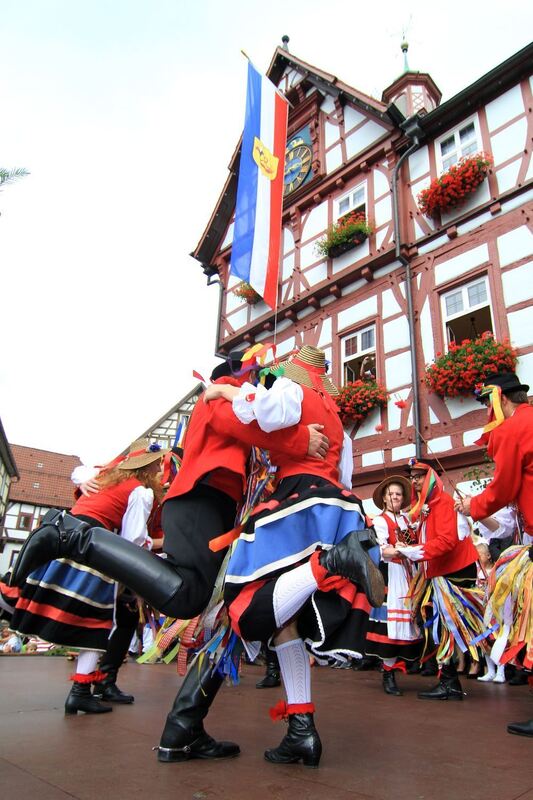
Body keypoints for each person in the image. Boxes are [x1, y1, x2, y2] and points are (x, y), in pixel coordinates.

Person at [9, 351, 331, 761]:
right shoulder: (222, 392)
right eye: (256, 375)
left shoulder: (237, 398)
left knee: (216, 613)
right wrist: (301, 440)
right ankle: (74, 537)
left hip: (214, 506)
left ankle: (183, 729)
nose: (261, 382)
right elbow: (239, 423)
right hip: (201, 500)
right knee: (187, 598)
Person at [207, 345, 385, 767]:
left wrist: (225, 392)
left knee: (248, 601)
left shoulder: (291, 387)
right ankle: (301, 730)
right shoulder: (334, 411)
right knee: (287, 621)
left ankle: (333, 562)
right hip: (337, 504)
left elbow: (263, 410)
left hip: (299, 498)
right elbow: (345, 474)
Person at [3, 442, 165, 714]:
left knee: (24, 592)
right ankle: (80, 692)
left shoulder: (103, 476)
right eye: (157, 464)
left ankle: (88, 688)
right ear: (147, 468)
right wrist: (161, 543)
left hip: (60, 537)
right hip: (90, 548)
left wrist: (82, 479)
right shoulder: (141, 492)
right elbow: (133, 541)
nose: (161, 469)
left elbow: (78, 471)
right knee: (95, 621)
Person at [396, 459, 482, 701]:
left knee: (447, 627)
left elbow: (446, 541)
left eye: (418, 476)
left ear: (431, 477)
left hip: (454, 571)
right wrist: (407, 542)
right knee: (439, 628)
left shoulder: (443, 502)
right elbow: (427, 539)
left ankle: (450, 683)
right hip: (438, 572)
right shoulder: (424, 507)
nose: (414, 481)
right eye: (412, 477)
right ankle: (449, 681)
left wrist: (411, 551)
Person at [365, 475, 423, 696]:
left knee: (410, 623)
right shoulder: (380, 521)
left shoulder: (407, 520)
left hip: (410, 575)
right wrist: (400, 550)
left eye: (399, 494)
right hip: (393, 574)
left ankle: (406, 665)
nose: (395, 497)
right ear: (384, 498)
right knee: (390, 626)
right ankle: (388, 673)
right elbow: (382, 550)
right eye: (391, 494)